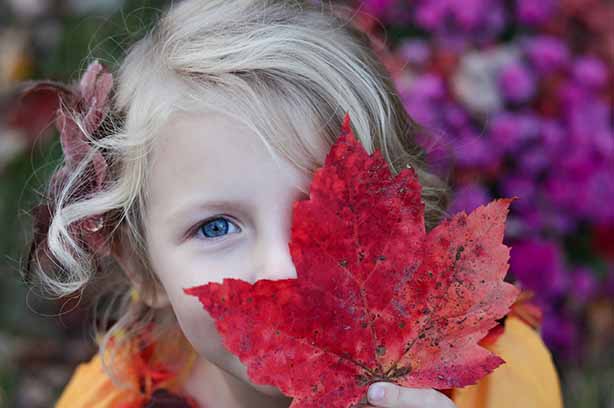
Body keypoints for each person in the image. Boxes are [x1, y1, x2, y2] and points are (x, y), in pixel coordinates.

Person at [21, 0, 563, 407]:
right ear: (142, 268)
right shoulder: (109, 397)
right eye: (215, 228)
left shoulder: (492, 379)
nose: (284, 268)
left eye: (325, 211)